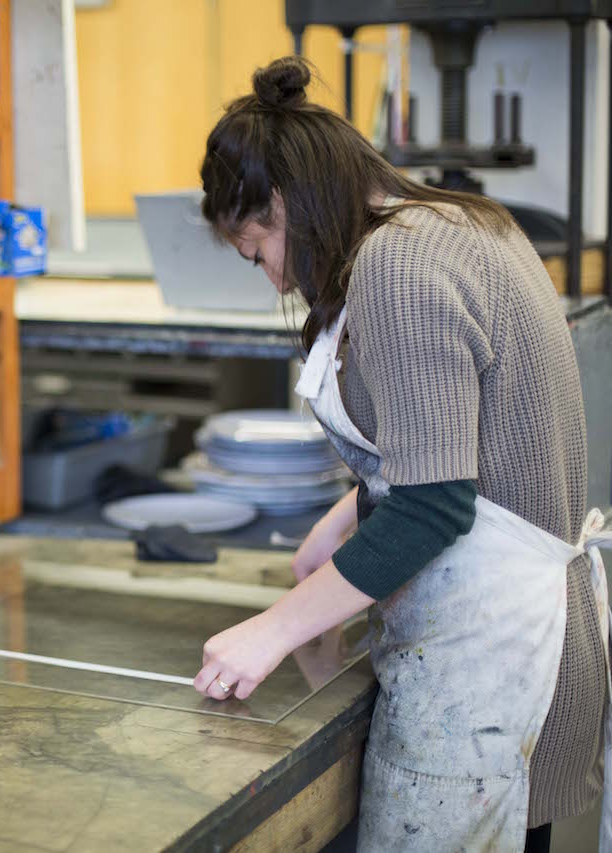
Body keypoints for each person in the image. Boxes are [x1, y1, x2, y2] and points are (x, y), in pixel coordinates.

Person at [191, 56, 611, 851]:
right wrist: (345, 515)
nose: (274, 276)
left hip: (492, 662)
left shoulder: (397, 268)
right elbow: (463, 440)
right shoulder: (460, 222)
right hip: (531, 639)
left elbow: (434, 504)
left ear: (285, 202)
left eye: (258, 250)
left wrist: (272, 630)